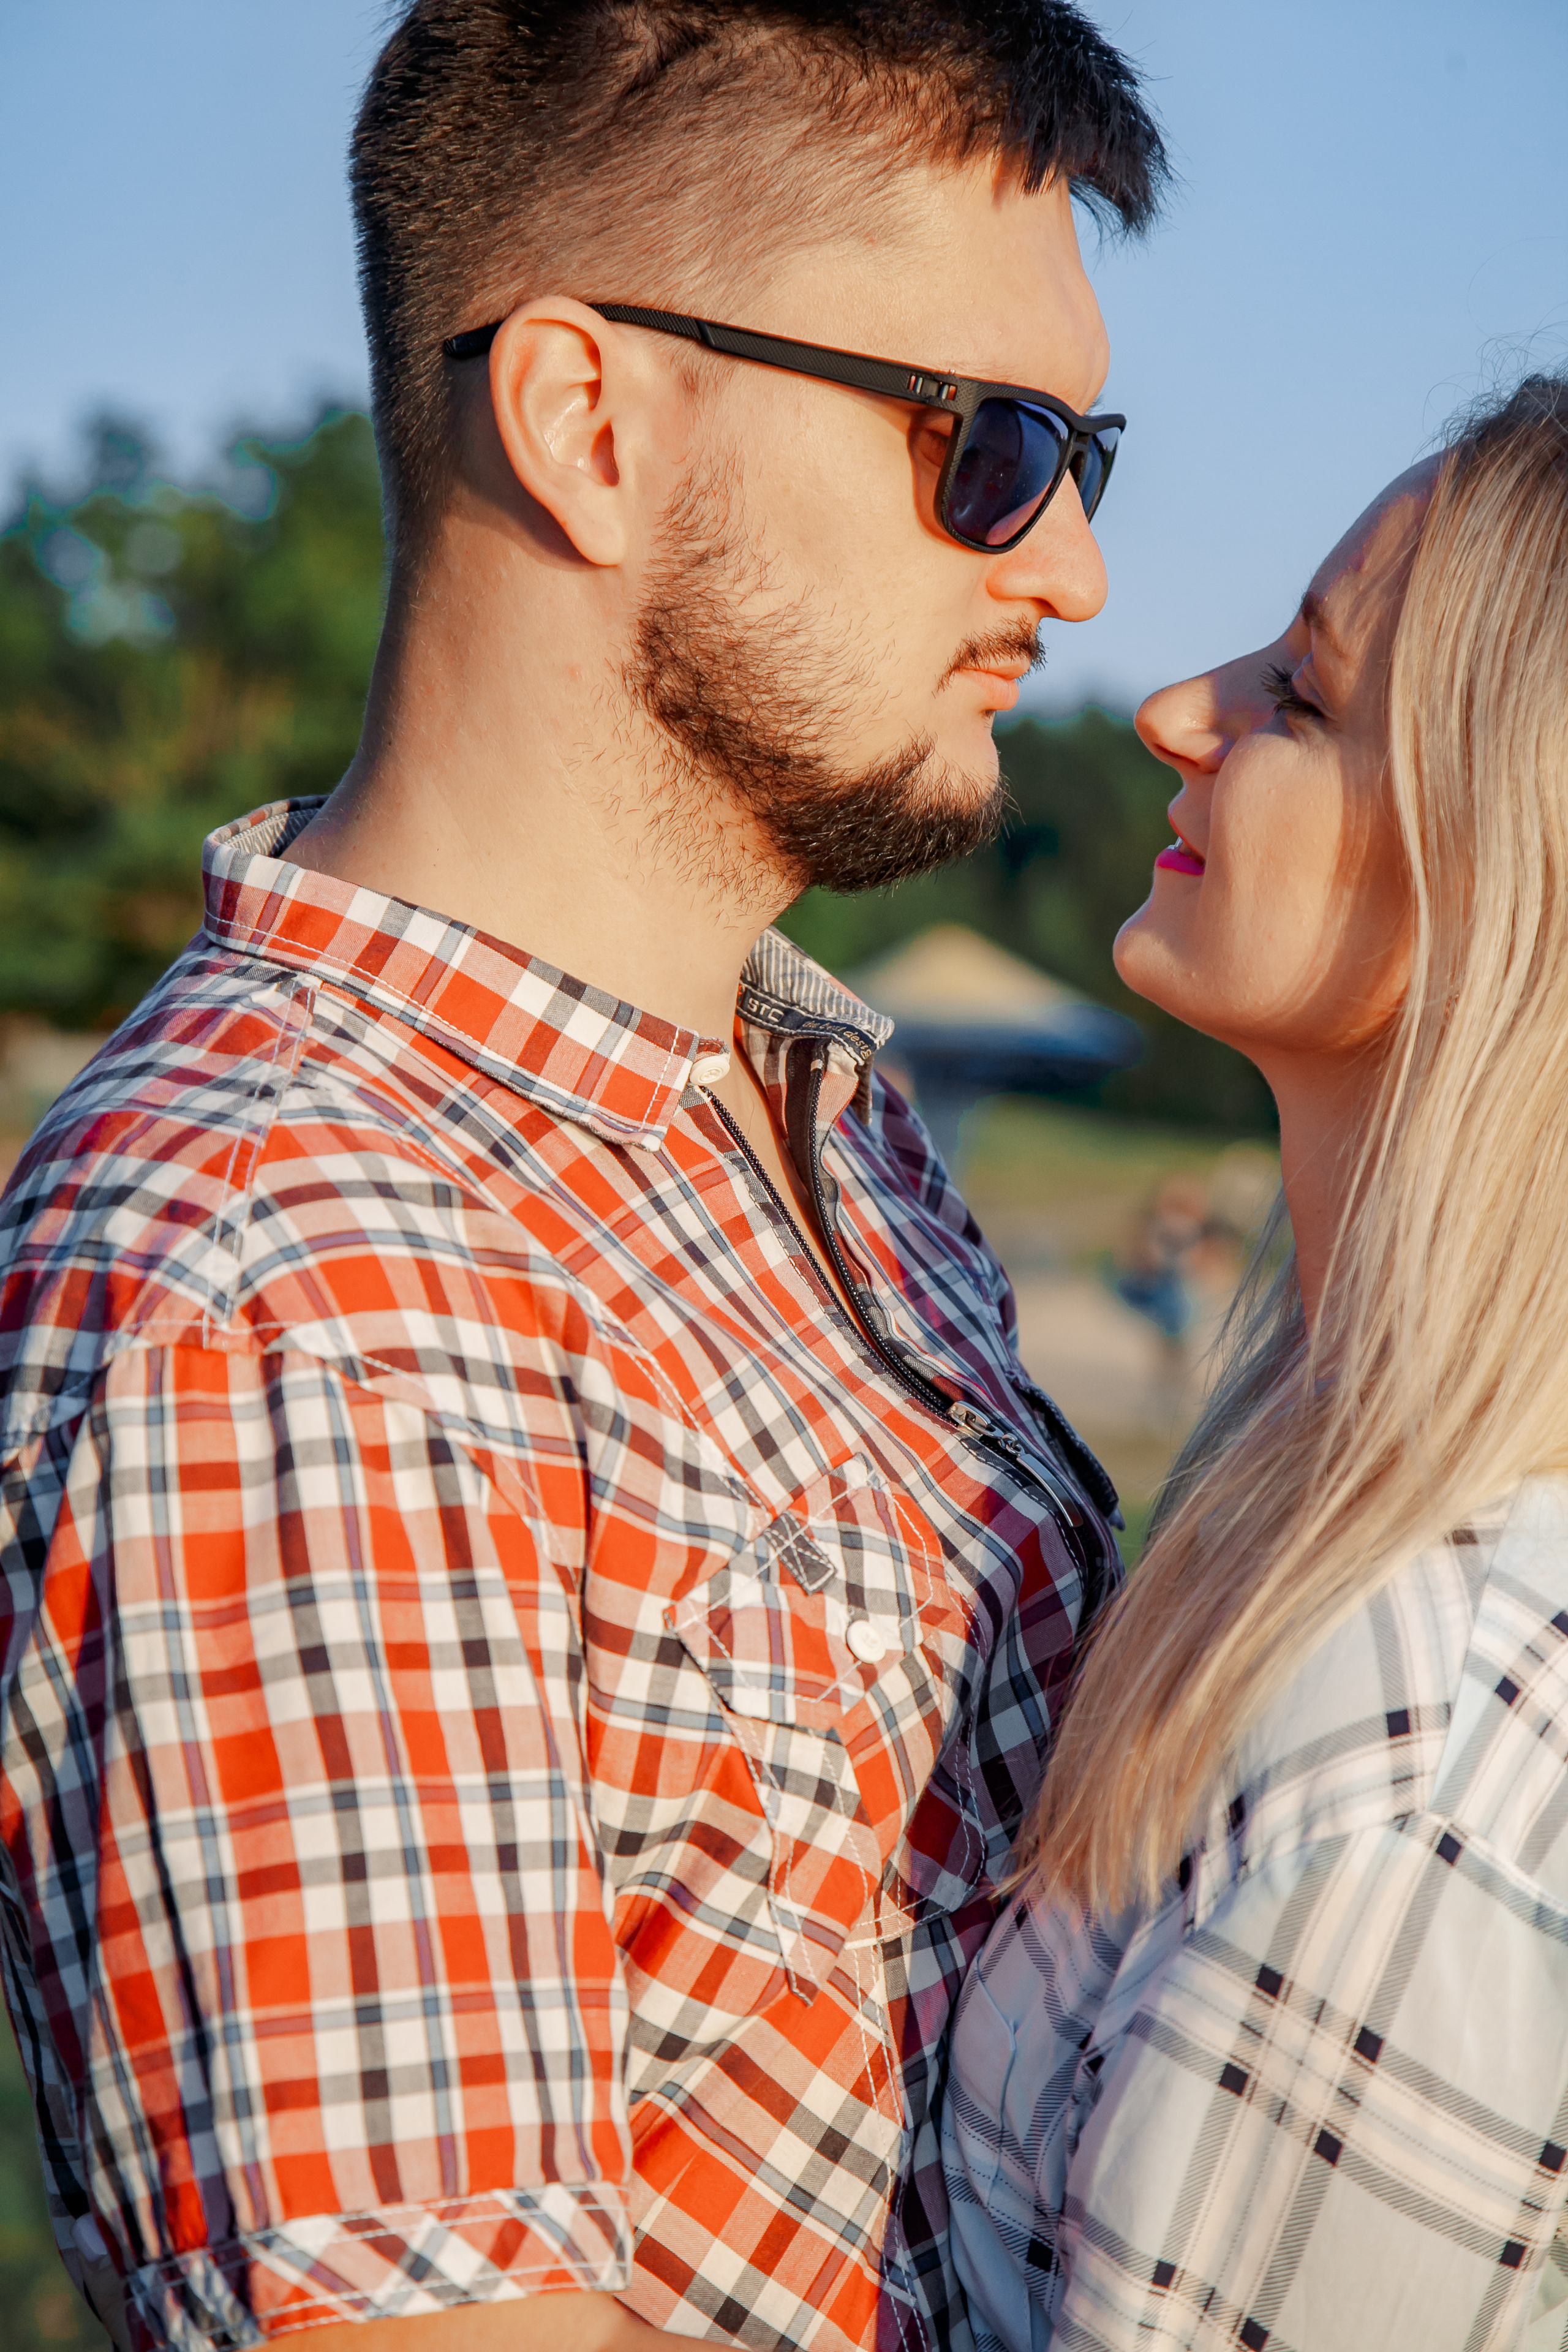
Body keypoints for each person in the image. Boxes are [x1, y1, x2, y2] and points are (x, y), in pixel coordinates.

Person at [0, 6, 1168, 2351]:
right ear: (588, 422)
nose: (1075, 572)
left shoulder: (828, 1116)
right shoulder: (274, 1260)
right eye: (992, 446)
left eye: (1089, 455)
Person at [943, 375, 1568, 2351]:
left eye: (1300, 696)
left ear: (1503, 866)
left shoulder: (1424, 1755)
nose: (1172, 711)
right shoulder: (1334, 1536)